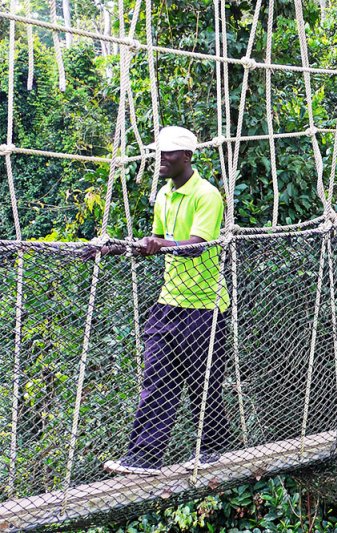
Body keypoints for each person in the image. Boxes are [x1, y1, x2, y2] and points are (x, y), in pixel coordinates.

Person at [85, 126, 232, 475]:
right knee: (157, 378)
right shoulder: (164, 195)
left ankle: (212, 445)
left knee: (203, 383)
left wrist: (158, 245)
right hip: (169, 302)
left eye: (167, 154)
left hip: (206, 306)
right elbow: (156, 241)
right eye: (158, 153)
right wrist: (114, 247)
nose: (160, 160)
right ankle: (144, 457)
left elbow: (197, 246)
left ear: (187, 157)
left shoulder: (207, 195)